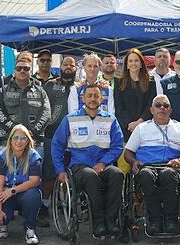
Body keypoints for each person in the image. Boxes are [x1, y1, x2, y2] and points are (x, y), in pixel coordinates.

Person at [52, 84, 125, 237]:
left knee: (117, 174)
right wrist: (60, 170)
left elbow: (118, 146)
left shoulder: (110, 120)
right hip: (79, 166)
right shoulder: (70, 119)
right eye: (89, 96)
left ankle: (111, 221)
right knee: (90, 176)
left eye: (96, 96)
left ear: (101, 99)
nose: (92, 99)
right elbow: (57, 145)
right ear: (83, 98)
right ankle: (98, 223)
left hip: (104, 164)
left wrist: (104, 162)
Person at [124, 95, 180, 235]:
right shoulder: (141, 128)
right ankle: (155, 220)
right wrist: (134, 162)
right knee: (146, 175)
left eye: (165, 106)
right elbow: (128, 152)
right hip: (148, 166)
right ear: (152, 110)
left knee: (168, 175)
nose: (162, 108)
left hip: (170, 166)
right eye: (158, 105)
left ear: (170, 110)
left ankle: (171, 219)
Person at [0, 125, 44, 245]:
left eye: (23, 138)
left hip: (24, 191)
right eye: (15, 138)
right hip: (5, 191)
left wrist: (12, 190)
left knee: (33, 195)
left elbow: (34, 181)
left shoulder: (33, 156)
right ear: (10, 140)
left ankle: (30, 229)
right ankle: (2, 225)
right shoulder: (1, 156)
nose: (19, 141)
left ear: (28, 141)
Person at [41, 56, 78, 227]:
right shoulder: (49, 84)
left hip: (76, 137)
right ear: (60, 67)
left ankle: (68, 205)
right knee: (50, 172)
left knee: (70, 172)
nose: (69, 66)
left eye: (72, 64)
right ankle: (44, 205)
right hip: (52, 135)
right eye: (65, 64)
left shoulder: (80, 85)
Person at [0, 54, 51, 151]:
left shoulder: (40, 91)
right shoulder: (3, 91)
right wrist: (16, 131)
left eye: (26, 68)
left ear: (30, 71)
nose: (22, 71)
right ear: (14, 71)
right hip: (8, 142)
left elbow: (46, 113)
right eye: (19, 68)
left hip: (34, 142)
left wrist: (32, 131)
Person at [114, 48, 156, 139]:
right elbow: (119, 107)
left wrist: (139, 122)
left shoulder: (151, 82)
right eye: (130, 61)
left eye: (136, 60)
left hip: (146, 128)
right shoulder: (119, 83)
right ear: (127, 65)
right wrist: (131, 124)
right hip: (127, 129)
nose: (133, 63)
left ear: (141, 64)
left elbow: (151, 105)